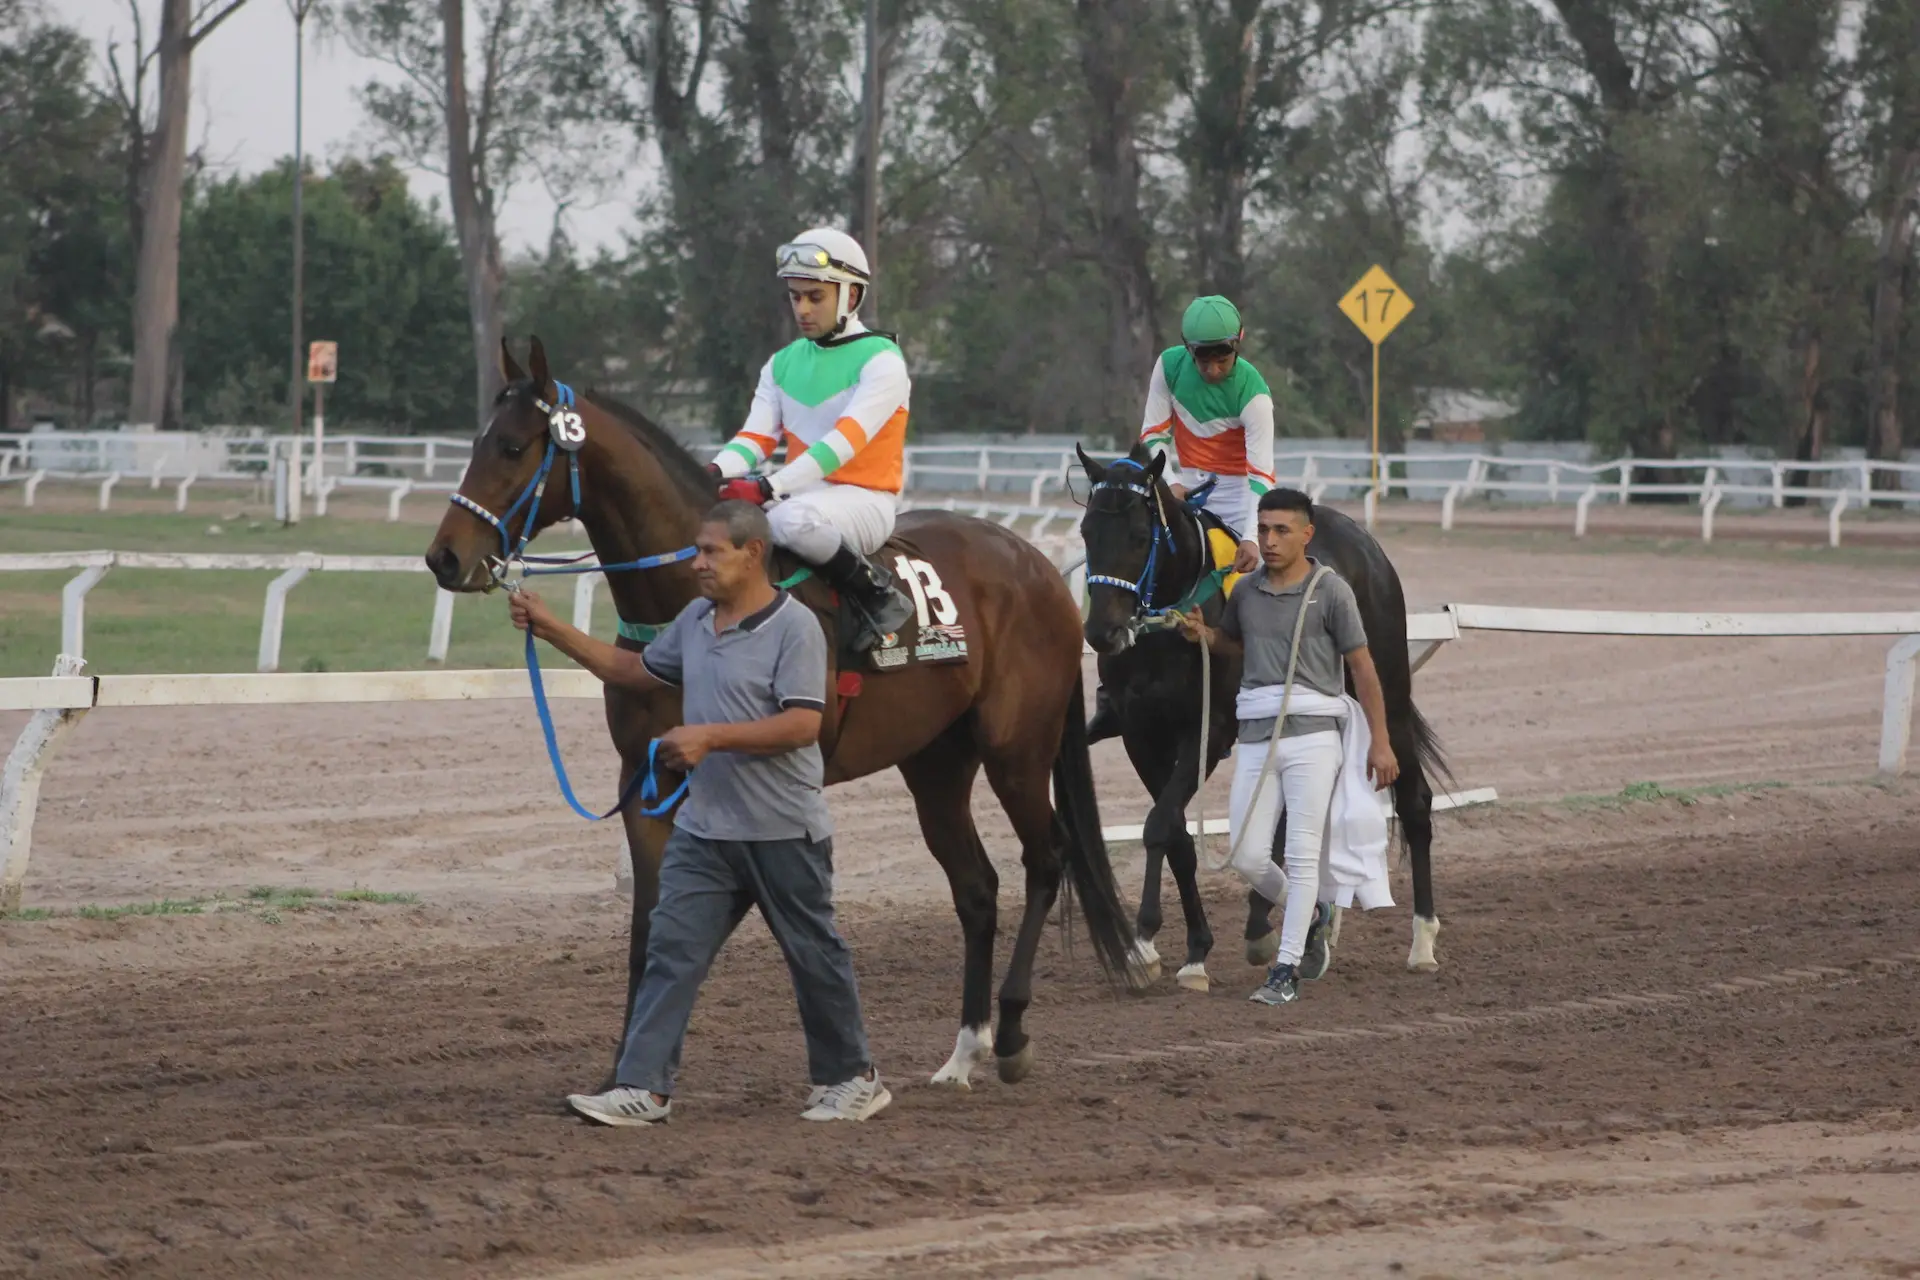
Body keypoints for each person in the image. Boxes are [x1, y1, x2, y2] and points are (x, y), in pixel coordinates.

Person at [508, 499, 891, 1125]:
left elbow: (802, 724)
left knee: (814, 955)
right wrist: (553, 629)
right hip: (706, 829)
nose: (697, 564)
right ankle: (644, 1088)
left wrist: (711, 737)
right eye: (696, 550)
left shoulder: (795, 629)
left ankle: (853, 1077)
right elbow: (634, 670)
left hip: (782, 830)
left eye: (711, 552)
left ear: (753, 554)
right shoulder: (695, 620)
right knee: (671, 949)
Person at [1175, 488, 1400, 1007]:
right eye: (1264, 528)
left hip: (1315, 738)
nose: (1270, 540)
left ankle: (1286, 968)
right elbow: (1235, 642)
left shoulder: (1332, 591)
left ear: (1306, 534)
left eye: (1281, 530)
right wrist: (1205, 636)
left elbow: (1362, 668)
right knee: (1248, 856)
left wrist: (1381, 742)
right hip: (1256, 736)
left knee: (1300, 857)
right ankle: (1318, 909)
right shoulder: (1247, 591)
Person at [707, 227, 915, 652]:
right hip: (803, 496)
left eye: (814, 297)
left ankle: (877, 594)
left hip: (863, 501)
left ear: (851, 297)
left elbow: (841, 444)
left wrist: (770, 486)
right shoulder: (781, 363)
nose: (801, 308)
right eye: (795, 296)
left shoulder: (883, 361)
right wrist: (709, 472)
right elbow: (754, 439)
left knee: (787, 521)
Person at [1088, 294, 1277, 742]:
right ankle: (1110, 692)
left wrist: (1251, 536)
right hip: (1181, 483)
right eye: (1203, 357)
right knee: (1124, 553)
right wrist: (1169, 482)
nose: (1213, 368)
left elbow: (1261, 475)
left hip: (1239, 494)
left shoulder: (1255, 396)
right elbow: (1153, 434)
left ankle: (1259, 682)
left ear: (1239, 343)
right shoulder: (1169, 366)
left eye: (1222, 356)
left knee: (1251, 581)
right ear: (1187, 350)